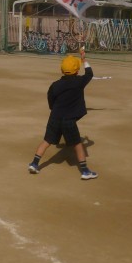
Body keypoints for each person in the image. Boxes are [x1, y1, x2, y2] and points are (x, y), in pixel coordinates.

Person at [28, 48, 97, 180]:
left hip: (55, 116)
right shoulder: (79, 82)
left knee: (47, 140)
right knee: (77, 144)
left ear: (62, 70)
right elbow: (89, 73)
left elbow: (51, 100)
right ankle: (85, 171)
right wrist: (83, 58)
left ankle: (34, 163)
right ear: (77, 71)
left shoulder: (55, 85)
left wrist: (54, 109)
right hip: (68, 119)